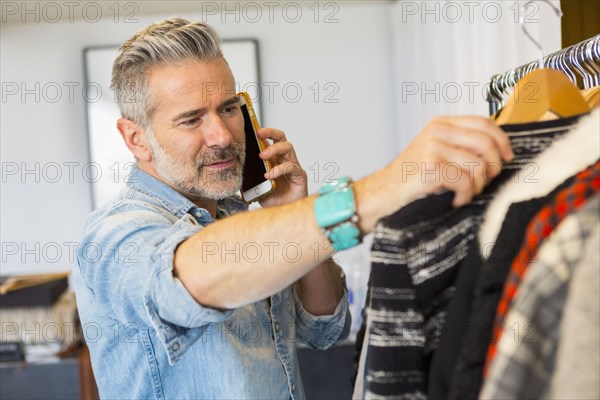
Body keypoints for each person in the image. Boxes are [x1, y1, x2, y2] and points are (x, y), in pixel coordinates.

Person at [71, 17, 514, 400]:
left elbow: (324, 330)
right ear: (135, 138)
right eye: (191, 119)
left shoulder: (244, 219)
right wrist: (380, 189)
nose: (223, 136)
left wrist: (292, 207)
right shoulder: (114, 233)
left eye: (228, 109)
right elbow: (191, 277)